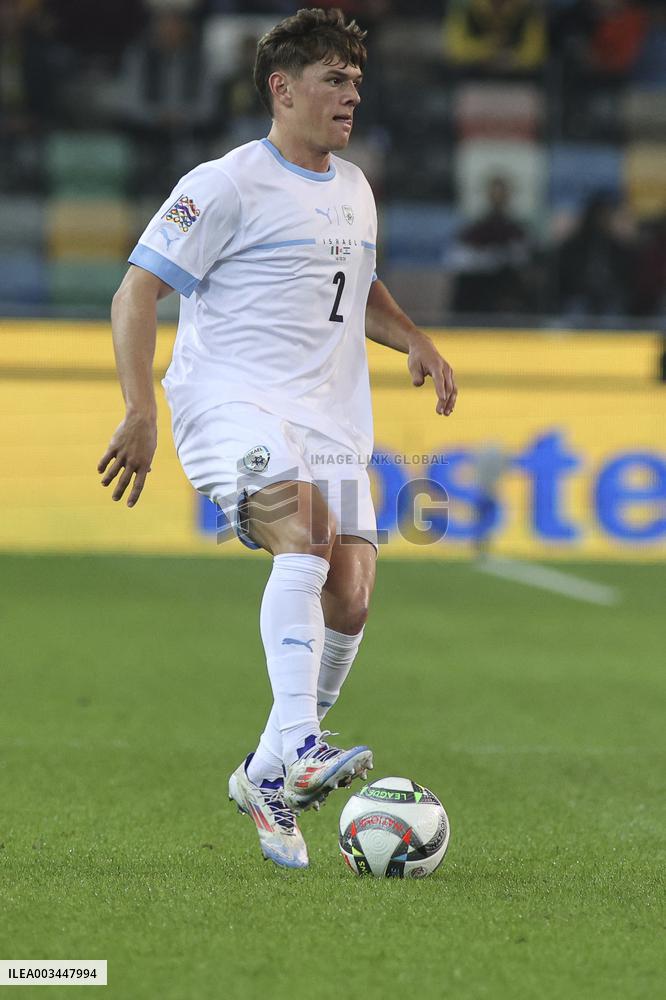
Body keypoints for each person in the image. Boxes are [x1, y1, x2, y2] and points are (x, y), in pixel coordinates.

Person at [98, 7, 457, 870]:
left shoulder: (354, 187)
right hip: (231, 402)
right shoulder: (223, 184)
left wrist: (412, 337)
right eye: (335, 81)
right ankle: (299, 747)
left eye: (357, 84)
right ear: (282, 88)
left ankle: (266, 771)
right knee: (305, 532)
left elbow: (357, 288)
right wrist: (140, 408)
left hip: (332, 415)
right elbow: (135, 292)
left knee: (353, 593)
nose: (351, 98)